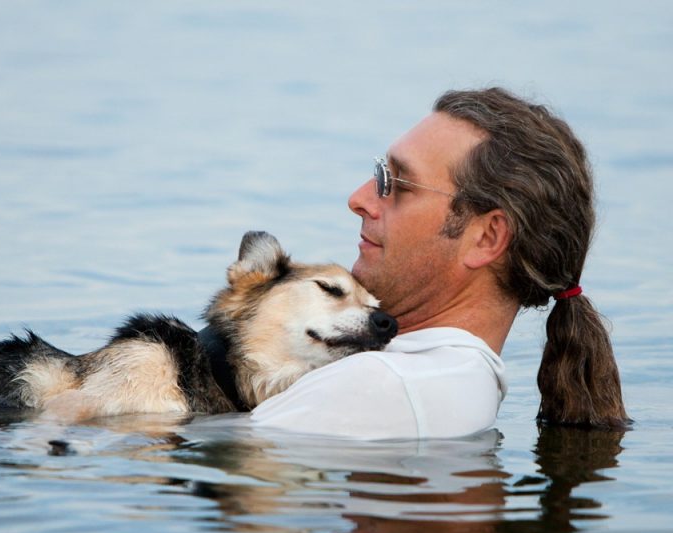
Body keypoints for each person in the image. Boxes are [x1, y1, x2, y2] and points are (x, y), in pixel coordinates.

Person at [251, 86, 630, 439]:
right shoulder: (447, 380)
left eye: (398, 184)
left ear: (487, 238)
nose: (359, 199)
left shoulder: (384, 385)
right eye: (380, 174)